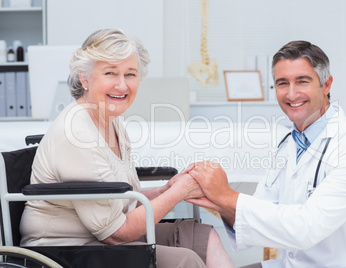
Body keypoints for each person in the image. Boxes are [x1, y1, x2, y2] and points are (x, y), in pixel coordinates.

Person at [19, 28, 235, 268]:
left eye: (130, 74)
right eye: (110, 73)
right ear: (85, 78)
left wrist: (168, 188)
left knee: (204, 237)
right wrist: (179, 192)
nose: (122, 85)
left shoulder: (111, 121)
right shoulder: (76, 133)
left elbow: (123, 199)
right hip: (68, 249)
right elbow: (115, 233)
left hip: (101, 238)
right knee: (184, 260)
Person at [187, 40, 346, 267]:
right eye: (282, 83)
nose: (291, 93)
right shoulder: (289, 144)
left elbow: (307, 228)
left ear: (326, 84)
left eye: (302, 81)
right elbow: (263, 209)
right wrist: (218, 202)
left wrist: (227, 196)